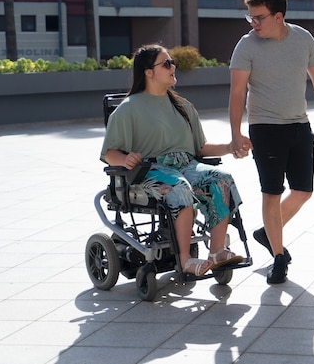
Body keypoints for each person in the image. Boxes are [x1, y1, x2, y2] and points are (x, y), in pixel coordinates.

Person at [101, 44, 245, 277]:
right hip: (149, 171)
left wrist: (230, 147)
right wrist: (126, 159)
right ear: (148, 72)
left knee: (221, 179)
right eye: (166, 63)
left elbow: (199, 148)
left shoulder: (184, 107)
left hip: (186, 165)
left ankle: (218, 251)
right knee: (179, 187)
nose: (172, 67)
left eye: (172, 62)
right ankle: (185, 260)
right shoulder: (128, 109)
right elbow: (110, 153)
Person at [229, 0, 314, 284]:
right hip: (265, 129)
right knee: (272, 192)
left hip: (299, 125)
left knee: (304, 190)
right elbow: (237, 92)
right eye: (249, 17)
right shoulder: (246, 45)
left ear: (278, 16)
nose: (253, 23)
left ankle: (268, 232)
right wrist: (236, 132)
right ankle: (279, 256)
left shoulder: (303, 39)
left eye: (259, 17)